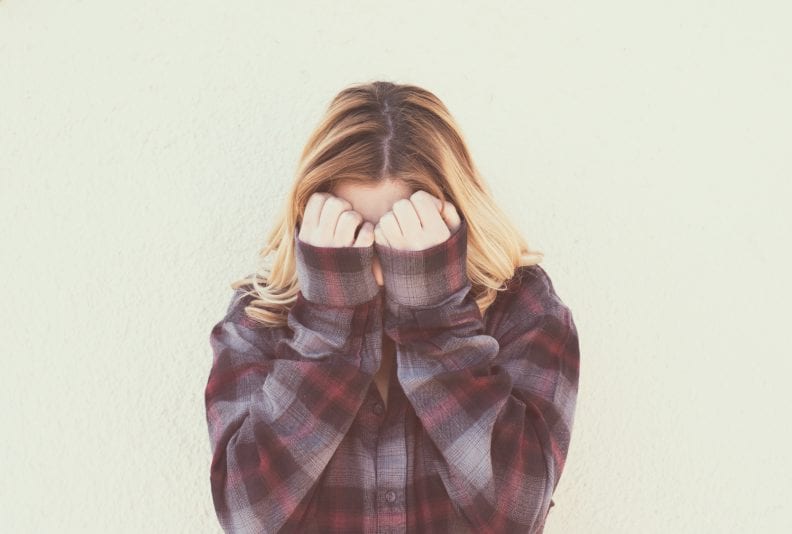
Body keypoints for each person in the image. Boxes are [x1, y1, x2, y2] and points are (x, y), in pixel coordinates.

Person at [204, 81, 580, 533]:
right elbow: (247, 518)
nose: (378, 259)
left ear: (455, 216)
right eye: (353, 229)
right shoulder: (258, 318)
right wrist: (329, 320)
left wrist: (435, 314)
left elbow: (518, 512)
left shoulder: (523, 308)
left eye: (407, 229)